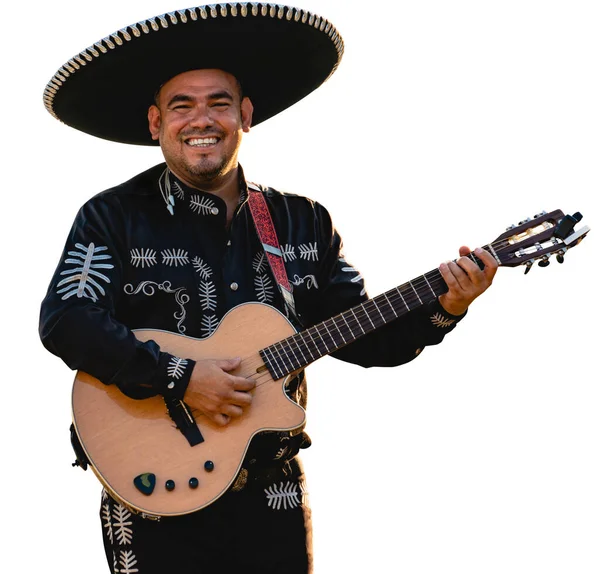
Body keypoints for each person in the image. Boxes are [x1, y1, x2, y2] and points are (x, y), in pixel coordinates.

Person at [39, 4, 497, 573]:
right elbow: (66, 319)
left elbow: (367, 336)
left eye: (219, 103)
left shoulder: (304, 222)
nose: (200, 119)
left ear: (246, 115)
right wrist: (180, 378)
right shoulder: (111, 216)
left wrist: (448, 305)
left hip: (273, 493)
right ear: (156, 123)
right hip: (154, 495)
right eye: (182, 106)